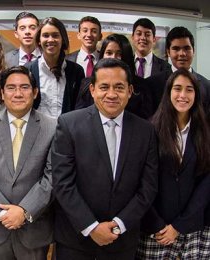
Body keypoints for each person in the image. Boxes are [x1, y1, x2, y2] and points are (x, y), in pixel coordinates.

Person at [52, 58, 158, 259]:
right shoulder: (69, 124)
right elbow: (62, 183)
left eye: (119, 87)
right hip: (76, 240)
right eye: (104, 87)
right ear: (92, 90)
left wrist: (119, 224)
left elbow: (148, 187)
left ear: (129, 91)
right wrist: (91, 227)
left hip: (122, 240)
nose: (111, 94)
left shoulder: (146, 131)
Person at [0, 66, 56, 260]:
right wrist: (2, 214)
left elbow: (52, 176)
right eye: (11, 87)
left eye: (24, 87)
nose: (18, 93)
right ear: (2, 93)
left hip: (33, 230)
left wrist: (24, 211)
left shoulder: (53, 127)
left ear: (35, 92)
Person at [136, 69, 210, 259]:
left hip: (192, 228)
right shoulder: (149, 129)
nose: (183, 95)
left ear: (196, 94)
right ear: (168, 92)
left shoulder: (205, 132)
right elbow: (140, 181)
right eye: (177, 88)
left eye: (189, 89)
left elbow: (206, 183)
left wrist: (180, 225)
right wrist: (157, 224)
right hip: (155, 230)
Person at [76, 34, 153, 119]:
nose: (113, 57)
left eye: (119, 54)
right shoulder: (86, 84)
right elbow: (80, 117)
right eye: (109, 53)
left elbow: (146, 120)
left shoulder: (142, 86)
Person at [26, 17, 84, 118]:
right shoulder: (27, 70)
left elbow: (79, 107)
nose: (50, 40)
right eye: (45, 35)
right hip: (37, 131)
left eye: (55, 35)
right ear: (39, 40)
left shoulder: (76, 71)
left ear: (63, 40)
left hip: (66, 131)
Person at [148, 26, 210, 116]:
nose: (182, 54)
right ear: (168, 52)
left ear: (194, 51)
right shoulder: (153, 85)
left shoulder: (207, 86)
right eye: (176, 49)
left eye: (187, 48)